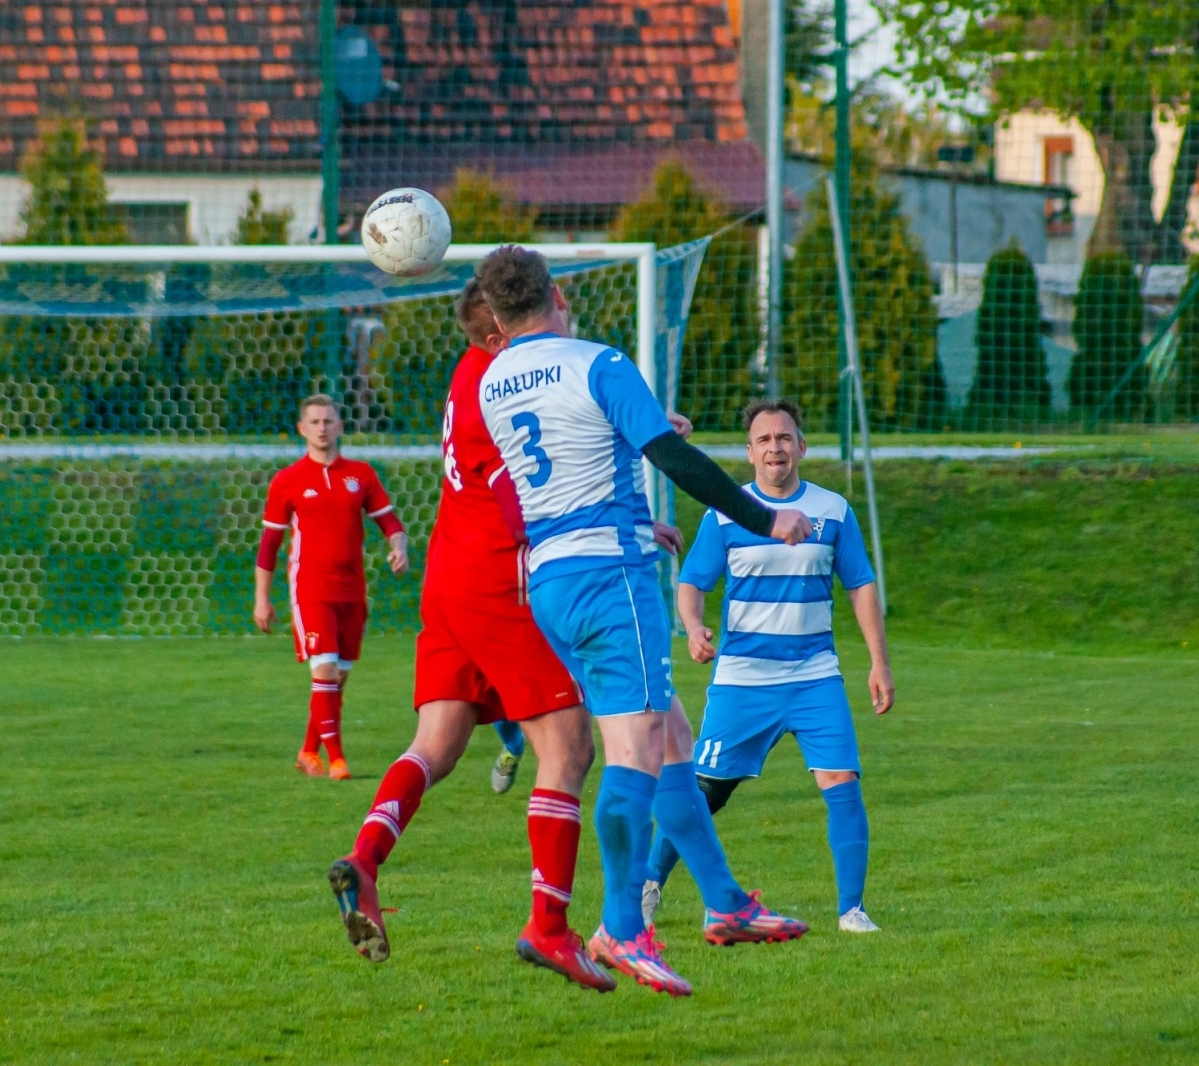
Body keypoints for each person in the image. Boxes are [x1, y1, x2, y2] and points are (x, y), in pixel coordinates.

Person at [477, 246, 812, 997]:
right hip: (611, 576)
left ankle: (725, 903)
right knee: (636, 748)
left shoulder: (494, 382)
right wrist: (763, 518)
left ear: (496, 318)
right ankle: (622, 928)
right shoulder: (600, 362)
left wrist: (641, 435)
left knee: (673, 741)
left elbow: (578, 454)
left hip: (552, 581)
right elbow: (672, 460)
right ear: (558, 294)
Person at [326, 280, 617, 992]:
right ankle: (548, 929)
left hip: (449, 573)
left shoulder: (469, 370)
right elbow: (519, 494)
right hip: (499, 579)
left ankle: (364, 860)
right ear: (500, 330)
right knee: (570, 747)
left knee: (438, 744)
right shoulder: (504, 379)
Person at [643, 399, 894, 935]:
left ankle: (852, 910)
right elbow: (692, 584)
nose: (775, 447)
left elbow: (861, 586)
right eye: (764, 440)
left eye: (784, 438)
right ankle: (648, 885)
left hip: (815, 676)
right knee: (705, 791)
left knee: (842, 781)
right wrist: (693, 626)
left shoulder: (833, 511)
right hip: (743, 680)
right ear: (750, 453)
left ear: (802, 447)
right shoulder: (726, 512)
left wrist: (879, 662)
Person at [254, 394, 408, 781]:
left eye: (328, 421)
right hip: (311, 588)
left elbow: (390, 522)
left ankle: (308, 751)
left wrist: (398, 548)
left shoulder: (361, 475)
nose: (322, 428)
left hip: (352, 590)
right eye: (315, 422)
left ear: (340, 426)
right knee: (323, 670)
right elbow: (269, 546)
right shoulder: (288, 481)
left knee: (337, 677)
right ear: (301, 429)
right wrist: (262, 599)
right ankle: (337, 760)